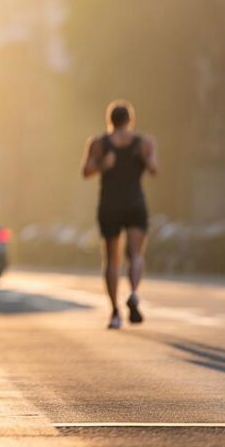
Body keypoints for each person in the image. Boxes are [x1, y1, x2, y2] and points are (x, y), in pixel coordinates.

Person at [82, 101, 158, 329]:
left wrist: (102, 165)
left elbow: (86, 171)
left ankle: (115, 311)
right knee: (136, 255)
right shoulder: (144, 143)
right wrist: (144, 158)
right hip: (135, 203)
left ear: (110, 120)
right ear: (130, 120)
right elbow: (154, 169)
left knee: (111, 259)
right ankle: (133, 293)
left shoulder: (98, 144)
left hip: (110, 205)